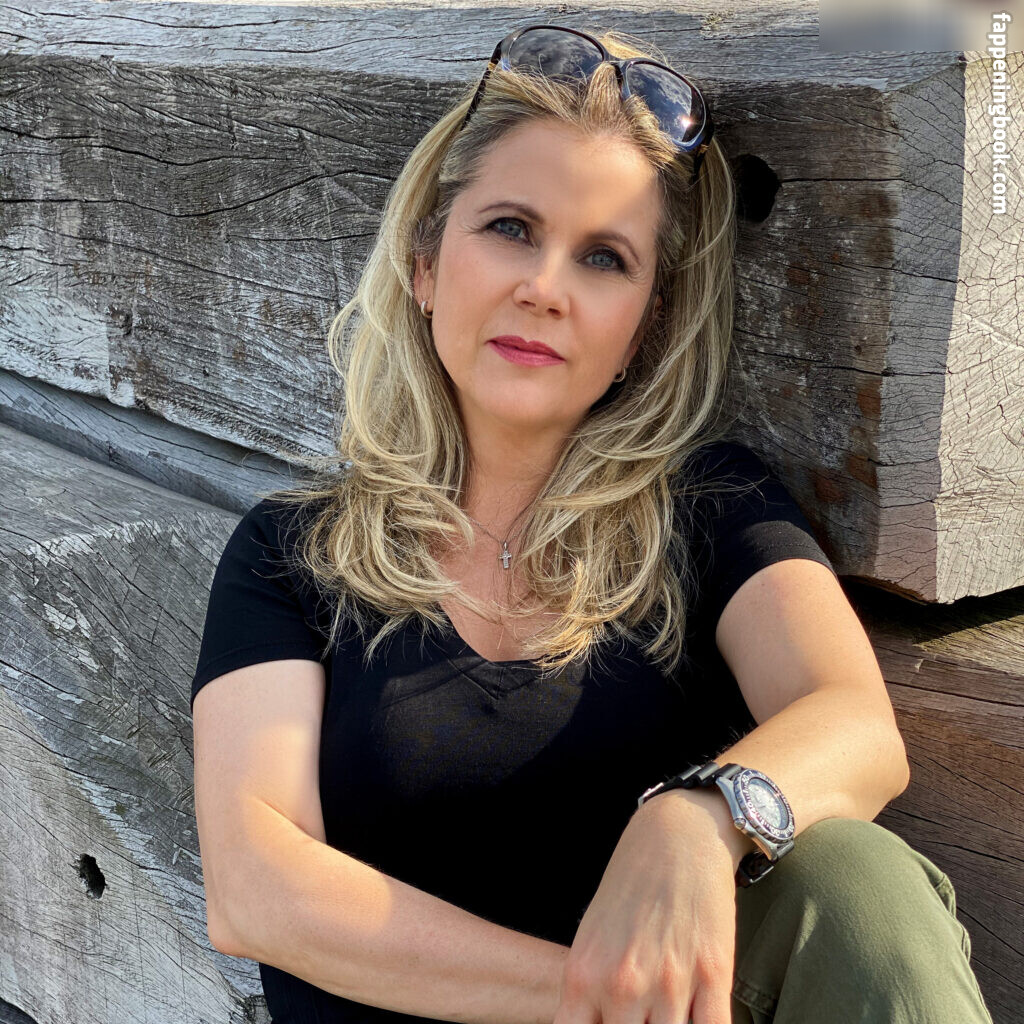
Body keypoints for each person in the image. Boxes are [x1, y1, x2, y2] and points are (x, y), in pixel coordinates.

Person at [190, 23, 994, 1024]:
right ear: (425, 264)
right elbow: (258, 891)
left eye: (604, 258)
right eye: (511, 229)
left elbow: (858, 725)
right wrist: (605, 998)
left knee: (854, 881)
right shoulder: (294, 552)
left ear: (642, 329)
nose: (545, 289)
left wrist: (695, 816)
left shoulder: (708, 509)